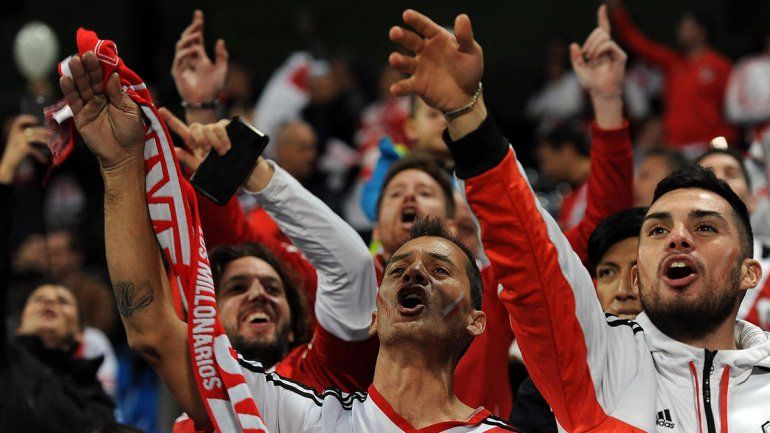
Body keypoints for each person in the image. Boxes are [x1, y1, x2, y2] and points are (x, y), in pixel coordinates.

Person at [59, 47, 516, 432]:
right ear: (373, 316)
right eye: (396, 269)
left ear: (478, 320)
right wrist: (120, 168)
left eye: (440, 270)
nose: (413, 270)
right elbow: (152, 330)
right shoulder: (298, 416)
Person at [388, 4, 770, 431]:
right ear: (639, 278)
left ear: (749, 273)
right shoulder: (598, 360)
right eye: (658, 229)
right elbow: (530, 253)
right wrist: (467, 115)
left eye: (705, 227)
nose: (677, 238)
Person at [0, 115, 114, 433]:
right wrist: (6, 175)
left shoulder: (95, 402)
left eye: (63, 303)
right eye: (39, 300)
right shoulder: (6, 366)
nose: (50, 299)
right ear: (17, 324)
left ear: (80, 335)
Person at [509, 207, 647, 433]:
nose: (623, 291)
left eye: (639, 271)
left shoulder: (706, 369)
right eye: (607, 272)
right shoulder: (546, 390)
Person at [608, 0, 737, 154]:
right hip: (674, 147)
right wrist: (617, 10)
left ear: (701, 31)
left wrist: (724, 143)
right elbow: (638, 43)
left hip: (707, 146)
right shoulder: (673, 63)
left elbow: (732, 110)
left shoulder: (720, 66)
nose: (680, 30)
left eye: (686, 26)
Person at [697, 147, 770, 330]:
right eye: (708, 173)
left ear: (753, 201)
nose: (720, 179)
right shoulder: (670, 266)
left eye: (731, 173)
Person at [533, 127, 591, 230]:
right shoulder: (568, 199)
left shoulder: (604, 183)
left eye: (546, 160)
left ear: (566, 151)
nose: (546, 169)